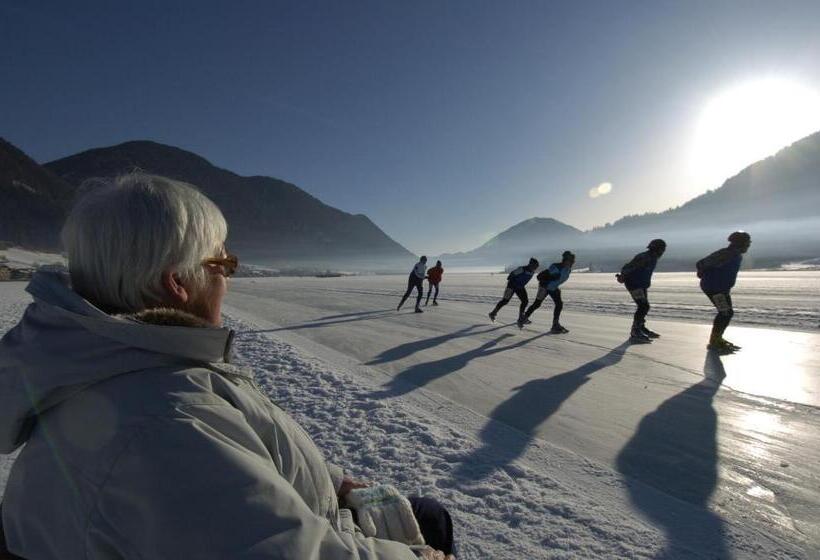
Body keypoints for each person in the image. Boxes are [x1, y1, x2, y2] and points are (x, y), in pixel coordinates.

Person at [0, 174, 456, 560]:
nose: (228, 277)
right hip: (323, 532)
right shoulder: (166, 423)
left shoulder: (130, 365)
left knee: (427, 512)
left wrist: (333, 482)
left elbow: (244, 459)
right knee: (431, 524)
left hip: (318, 507)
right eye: (224, 262)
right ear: (177, 283)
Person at [696, 231, 751, 353]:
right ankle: (715, 341)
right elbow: (700, 263)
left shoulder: (733, 254)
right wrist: (702, 274)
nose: (749, 245)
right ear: (741, 243)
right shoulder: (727, 254)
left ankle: (717, 339)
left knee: (726, 313)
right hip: (715, 288)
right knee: (725, 313)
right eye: (748, 243)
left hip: (719, 288)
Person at [617, 239, 666, 343]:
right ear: (658, 249)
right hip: (634, 284)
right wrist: (623, 276)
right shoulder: (645, 257)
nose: (662, 252)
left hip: (641, 284)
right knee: (643, 306)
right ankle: (635, 331)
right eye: (662, 249)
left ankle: (641, 327)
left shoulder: (652, 257)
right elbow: (629, 267)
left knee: (644, 306)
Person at [518, 251, 575, 333]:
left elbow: (558, 280)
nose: (572, 263)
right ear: (565, 260)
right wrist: (549, 279)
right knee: (537, 304)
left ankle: (555, 325)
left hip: (553, 288)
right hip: (544, 287)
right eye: (571, 261)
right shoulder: (556, 267)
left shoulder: (568, 270)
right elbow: (540, 276)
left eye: (573, 261)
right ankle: (523, 319)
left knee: (559, 304)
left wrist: (555, 285)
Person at [489, 257, 539, 323]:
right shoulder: (522, 269)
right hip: (511, 286)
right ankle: (493, 313)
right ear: (530, 264)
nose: (535, 268)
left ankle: (521, 317)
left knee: (525, 301)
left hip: (520, 287)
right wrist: (512, 284)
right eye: (535, 266)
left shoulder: (532, 272)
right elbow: (510, 276)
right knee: (505, 301)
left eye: (537, 266)